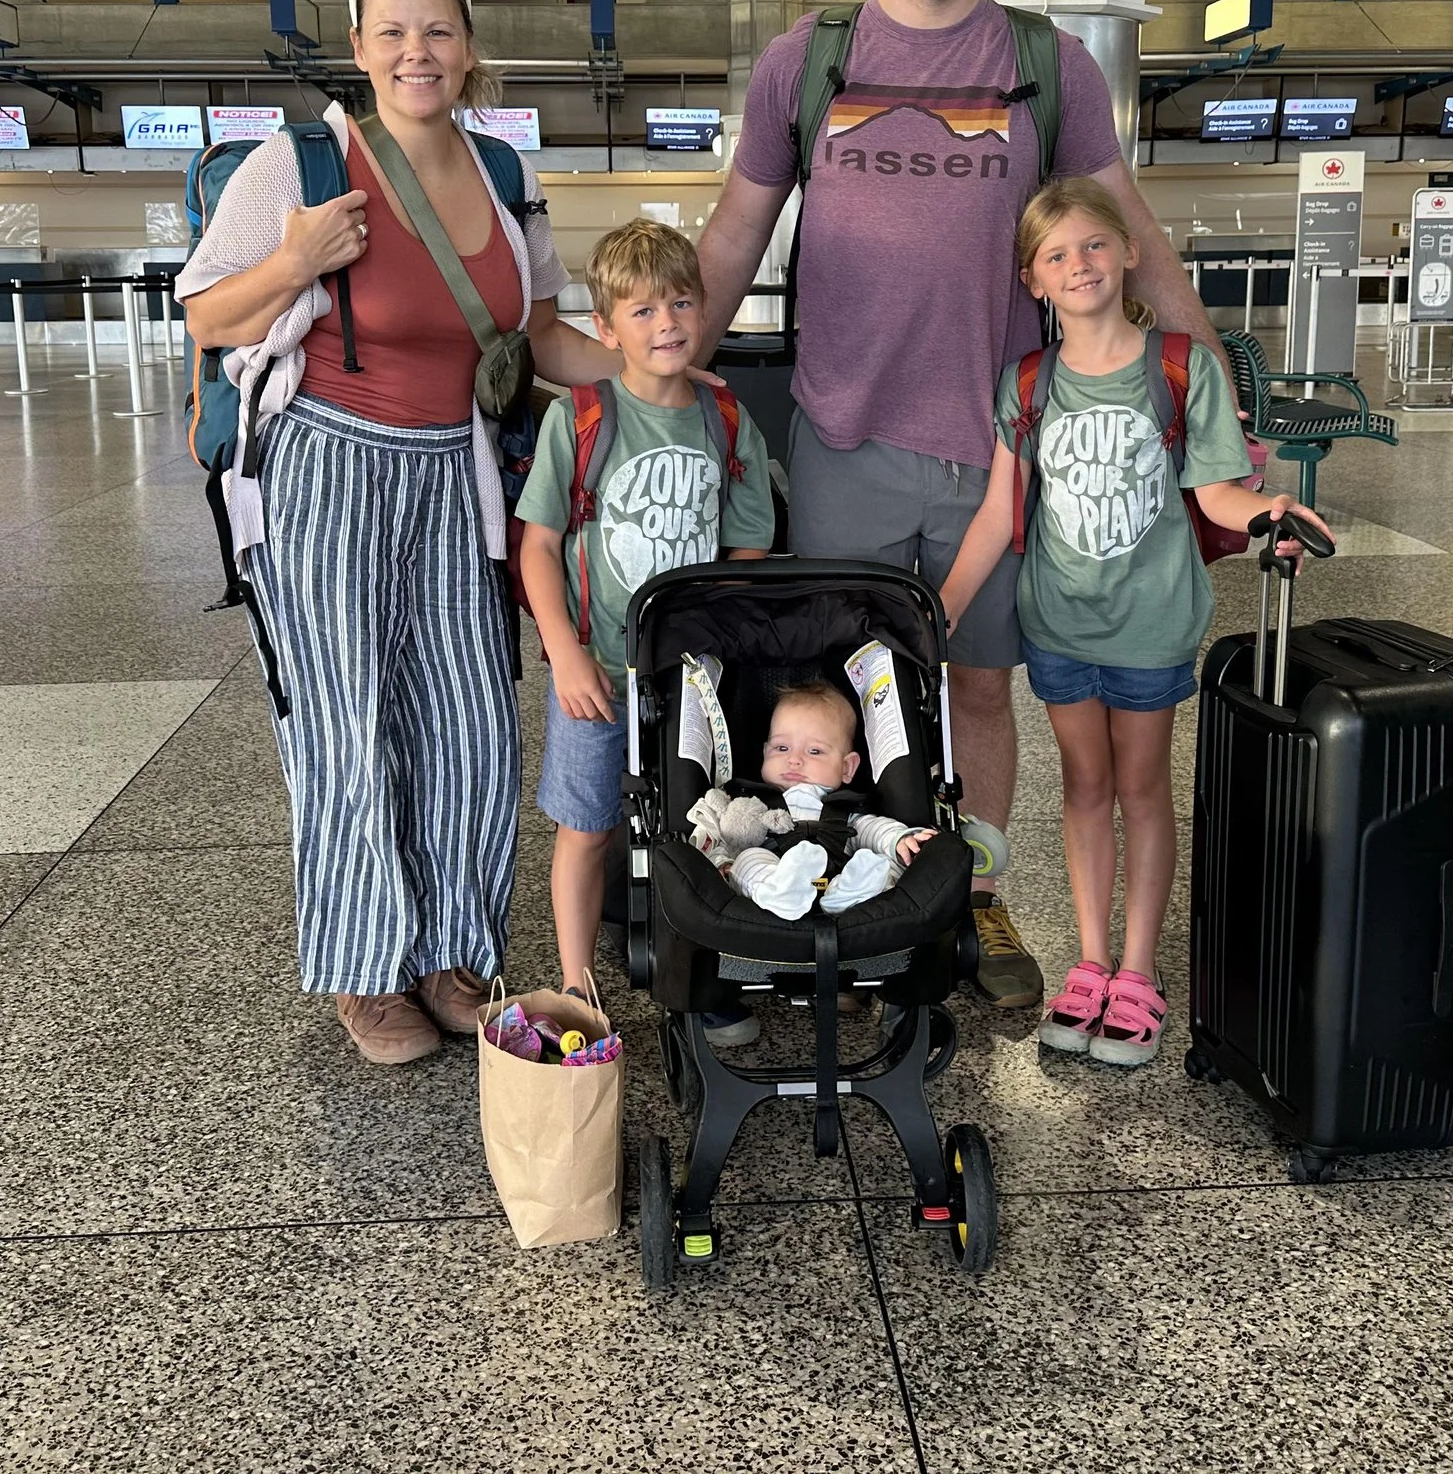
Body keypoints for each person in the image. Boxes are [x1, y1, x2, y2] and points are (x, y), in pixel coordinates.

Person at [693, 0, 1224, 1011]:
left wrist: (1216, 384)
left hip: (996, 445)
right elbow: (732, 236)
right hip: (842, 435)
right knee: (835, 685)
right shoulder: (809, 60)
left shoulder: (1046, 65)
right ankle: (832, 878)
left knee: (981, 687)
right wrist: (650, 380)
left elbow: (1123, 232)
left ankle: (975, 900)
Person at [179, 0, 614, 1066]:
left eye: (437, 31)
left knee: (468, 722)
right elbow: (207, 317)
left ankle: (449, 950)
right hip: (326, 462)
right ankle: (366, 970)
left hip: (452, 469)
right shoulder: (302, 163)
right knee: (344, 720)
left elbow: (543, 335)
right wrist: (294, 262)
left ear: (469, 51)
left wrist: (659, 367)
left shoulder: (507, 177)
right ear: (362, 50)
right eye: (393, 32)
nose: (417, 51)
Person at [939, 178, 1329, 1066]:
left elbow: (1216, 491)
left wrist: (1268, 510)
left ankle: (1141, 971)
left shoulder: (1180, 368)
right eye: (1055, 254)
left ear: (1127, 253)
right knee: (1083, 788)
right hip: (1059, 623)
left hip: (1152, 620)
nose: (1078, 264)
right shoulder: (1028, 383)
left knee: (1141, 787)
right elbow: (1002, 514)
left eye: (1092, 245)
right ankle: (1090, 962)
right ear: (1032, 280)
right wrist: (946, 607)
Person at [516, 218, 773, 1014]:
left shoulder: (726, 421)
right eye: (642, 311)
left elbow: (748, 547)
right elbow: (539, 545)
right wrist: (563, 652)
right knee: (587, 825)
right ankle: (574, 979)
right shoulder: (582, 419)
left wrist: (712, 643)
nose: (666, 324)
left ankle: (704, 966)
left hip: (693, 674)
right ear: (606, 328)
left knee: (702, 822)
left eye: (681, 303)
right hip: (597, 666)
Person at [689, 682, 937, 921]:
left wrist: (899, 839)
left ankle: (850, 894)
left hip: (837, 875)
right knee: (747, 858)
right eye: (782, 748)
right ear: (765, 752)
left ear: (847, 767)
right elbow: (725, 837)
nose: (794, 759)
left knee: (880, 865)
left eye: (814, 751)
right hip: (774, 875)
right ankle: (781, 892)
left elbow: (873, 829)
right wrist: (722, 863)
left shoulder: (844, 811)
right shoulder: (752, 805)